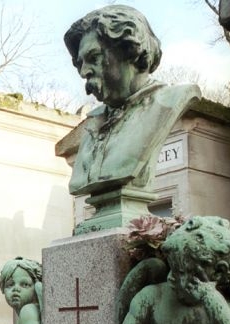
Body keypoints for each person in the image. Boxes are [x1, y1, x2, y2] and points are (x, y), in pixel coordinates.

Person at [63, 6, 200, 231]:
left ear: (130, 51)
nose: (83, 72)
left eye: (94, 58)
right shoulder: (92, 123)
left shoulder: (167, 102)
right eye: (80, 63)